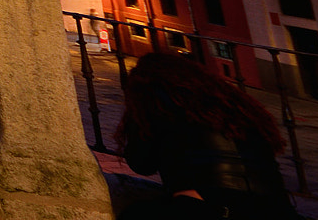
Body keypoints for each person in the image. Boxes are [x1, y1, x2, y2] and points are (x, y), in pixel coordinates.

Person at [115, 50, 297, 220]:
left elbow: (142, 163)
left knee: (133, 214)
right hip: (275, 205)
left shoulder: (154, 100)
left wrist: (134, 118)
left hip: (212, 205)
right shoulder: (233, 102)